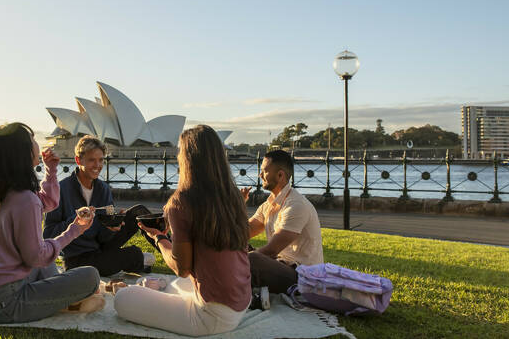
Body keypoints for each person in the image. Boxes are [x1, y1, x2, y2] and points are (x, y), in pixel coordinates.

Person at [114, 125, 252, 336]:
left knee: (122, 298)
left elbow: (181, 268)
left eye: (180, 150)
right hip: (241, 302)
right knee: (175, 286)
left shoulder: (182, 202)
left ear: (187, 158)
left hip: (211, 317)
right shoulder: (233, 196)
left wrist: (159, 237)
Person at [0, 123, 102, 324]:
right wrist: (74, 230)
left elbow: (48, 202)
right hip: (5, 303)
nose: (37, 144)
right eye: (32, 140)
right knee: (90, 276)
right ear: (21, 152)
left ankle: (59, 298)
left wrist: (51, 170)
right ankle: (65, 301)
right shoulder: (24, 199)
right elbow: (36, 257)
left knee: (47, 267)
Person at [43, 135, 154, 276]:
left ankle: (172, 254)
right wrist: (77, 220)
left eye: (101, 160)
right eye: (91, 160)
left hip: (100, 247)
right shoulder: (61, 190)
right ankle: (137, 261)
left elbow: (103, 237)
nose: (97, 166)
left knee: (139, 212)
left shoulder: (103, 188)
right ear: (78, 160)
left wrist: (112, 227)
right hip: (77, 258)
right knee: (133, 254)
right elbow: (48, 235)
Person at [241, 149, 323, 295]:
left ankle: (243, 291)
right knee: (236, 246)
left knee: (252, 259)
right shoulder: (269, 204)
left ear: (280, 175)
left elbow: (272, 250)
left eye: (264, 171)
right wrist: (239, 206)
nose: (260, 175)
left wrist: (240, 260)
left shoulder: (296, 205)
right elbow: (242, 233)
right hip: (280, 266)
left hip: (301, 276)